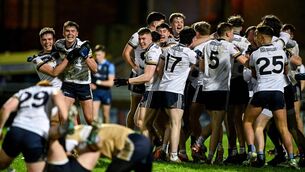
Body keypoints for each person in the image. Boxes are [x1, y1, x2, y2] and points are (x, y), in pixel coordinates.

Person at [242, 24, 299, 169]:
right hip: (278, 93)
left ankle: (252, 153)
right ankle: (292, 159)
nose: (255, 38)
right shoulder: (281, 52)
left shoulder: (255, 54)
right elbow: (286, 71)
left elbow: (253, 74)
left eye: (256, 35)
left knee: (247, 121)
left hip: (262, 91)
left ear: (261, 37)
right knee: (283, 128)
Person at [191, 22, 248, 164]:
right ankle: (209, 156)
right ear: (228, 33)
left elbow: (202, 67)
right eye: (232, 33)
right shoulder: (229, 46)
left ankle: (201, 144)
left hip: (207, 87)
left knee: (215, 122)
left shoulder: (208, 45)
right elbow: (244, 61)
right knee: (217, 124)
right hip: (221, 89)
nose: (233, 36)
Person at [0, 80, 68, 171]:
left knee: (2, 164)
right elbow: (64, 115)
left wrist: (0, 129)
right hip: (36, 134)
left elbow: (5, 108)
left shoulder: (24, 91)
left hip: (15, 131)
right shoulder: (54, 91)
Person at [121, 12, 166, 129]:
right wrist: (135, 67)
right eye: (161, 23)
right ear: (155, 23)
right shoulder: (138, 35)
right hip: (140, 75)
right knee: (135, 109)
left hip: (153, 77)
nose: (163, 26)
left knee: (153, 111)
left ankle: (155, 138)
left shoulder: (159, 34)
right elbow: (126, 53)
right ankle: (129, 137)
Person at [46, 123, 152, 172]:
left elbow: (68, 153)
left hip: (132, 144)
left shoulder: (72, 135)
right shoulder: (84, 129)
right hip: (143, 141)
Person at [54, 21, 98, 125]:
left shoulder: (83, 46)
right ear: (63, 33)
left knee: (89, 119)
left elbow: (95, 69)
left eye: (73, 31)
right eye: (67, 31)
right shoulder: (58, 44)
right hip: (68, 83)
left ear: (77, 33)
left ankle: (98, 138)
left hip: (83, 84)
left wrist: (85, 55)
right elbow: (61, 59)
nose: (70, 33)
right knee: (63, 116)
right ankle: (74, 139)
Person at [91, 44, 115, 123]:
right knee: (94, 117)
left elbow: (111, 83)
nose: (97, 57)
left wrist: (97, 82)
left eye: (99, 55)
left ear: (104, 54)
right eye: (96, 54)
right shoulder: (92, 64)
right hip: (96, 93)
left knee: (106, 115)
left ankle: (106, 134)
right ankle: (95, 134)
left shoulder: (109, 66)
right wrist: (90, 84)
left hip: (106, 92)